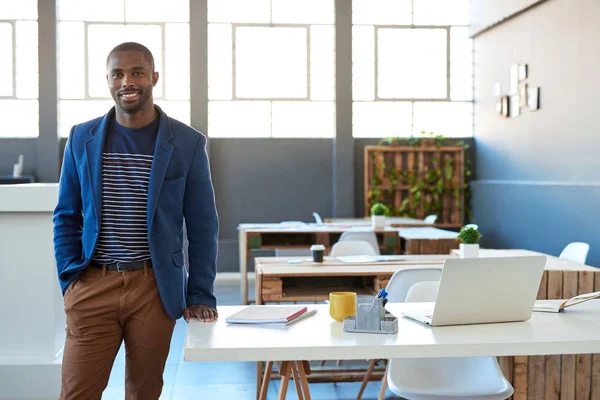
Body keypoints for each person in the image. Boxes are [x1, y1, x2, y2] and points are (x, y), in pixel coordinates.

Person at [53, 41, 219, 399]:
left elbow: (203, 225)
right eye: (118, 74)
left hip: (154, 288)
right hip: (93, 282)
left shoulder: (187, 143)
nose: (127, 81)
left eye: (137, 72)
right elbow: (66, 215)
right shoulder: (82, 137)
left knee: (144, 392)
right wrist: (70, 278)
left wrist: (200, 293)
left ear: (154, 77)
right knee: (76, 392)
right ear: (108, 81)